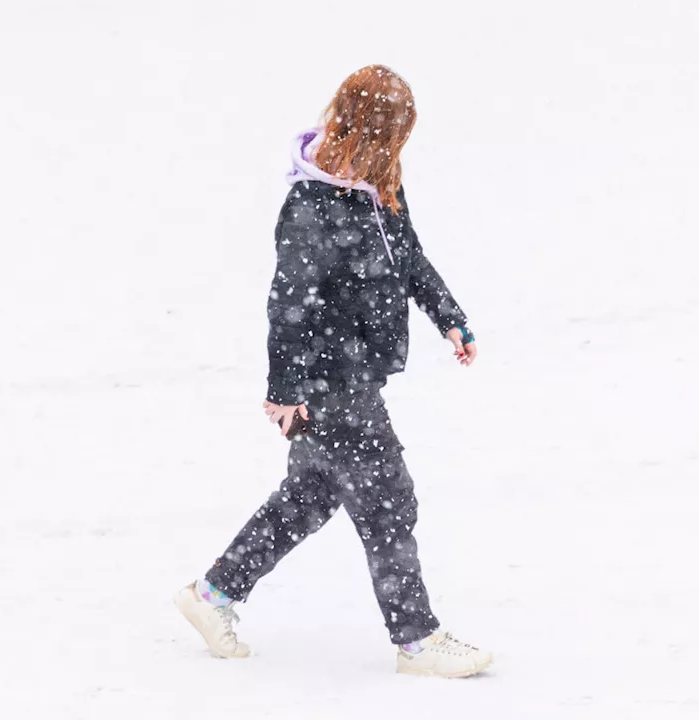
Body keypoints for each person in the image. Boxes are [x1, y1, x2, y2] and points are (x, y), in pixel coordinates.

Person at [174, 65, 492, 679]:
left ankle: (211, 596)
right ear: (369, 127)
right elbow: (287, 300)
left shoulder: (379, 188)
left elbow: (411, 259)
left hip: (356, 375)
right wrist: (284, 392)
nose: (398, 147)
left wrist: (449, 318)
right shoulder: (312, 202)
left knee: (308, 498)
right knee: (388, 498)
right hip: (328, 378)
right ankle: (417, 638)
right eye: (393, 134)